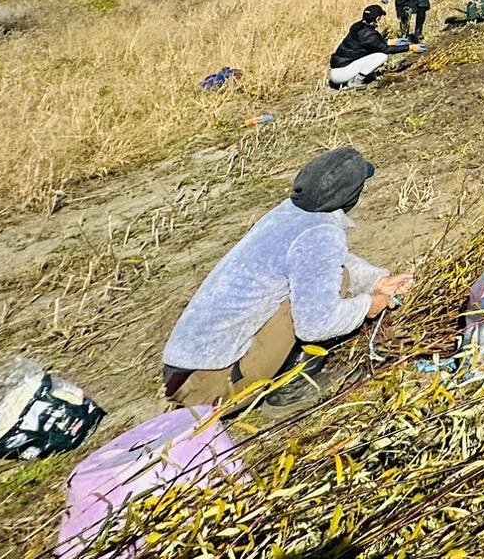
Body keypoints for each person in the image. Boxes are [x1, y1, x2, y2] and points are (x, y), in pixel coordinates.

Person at [159, 147, 412, 408]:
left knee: (334, 278)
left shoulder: (290, 214)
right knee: (314, 300)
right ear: (350, 195)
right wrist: (368, 306)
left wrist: (375, 282)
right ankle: (291, 385)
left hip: (181, 373)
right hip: (207, 388)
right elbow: (316, 324)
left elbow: (329, 261)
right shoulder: (319, 233)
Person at [327, 5, 417, 90]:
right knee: (382, 56)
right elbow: (386, 49)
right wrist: (410, 47)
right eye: (380, 18)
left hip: (337, 71)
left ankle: (356, 77)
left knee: (374, 52)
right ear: (377, 19)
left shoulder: (357, 27)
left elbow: (373, 44)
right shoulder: (368, 34)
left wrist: (394, 42)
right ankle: (356, 81)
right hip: (342, 73)